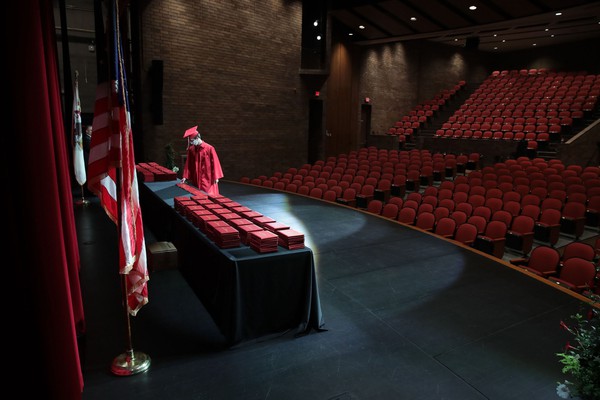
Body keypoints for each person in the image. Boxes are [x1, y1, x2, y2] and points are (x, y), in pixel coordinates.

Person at [181, 125, 224, 195]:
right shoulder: (192, 149)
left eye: (192, 141)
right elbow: (188, 163)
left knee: (209, 196)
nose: (191, 143)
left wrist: (216, 177)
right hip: (196, 178)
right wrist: (185, 177)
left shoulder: (209, 148)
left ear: (197, 138)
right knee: (197, 195)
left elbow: (215, 163)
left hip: (207, 178)